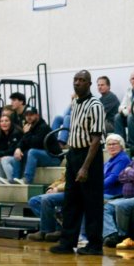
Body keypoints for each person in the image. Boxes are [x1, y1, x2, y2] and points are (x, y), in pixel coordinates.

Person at [50, 70, 106, 255]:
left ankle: (95, 245)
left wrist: (85, 167)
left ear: (89, 84)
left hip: (90, 156)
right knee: (70, 202)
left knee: (92, 202)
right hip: (73, 154)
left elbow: (96, 138)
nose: (78, 83)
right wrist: (71, 159)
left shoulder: (95, 105)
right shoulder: (74, 102)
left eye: (82, 80)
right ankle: (67, 242)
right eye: (75, 80)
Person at [11, 107, 58, 185]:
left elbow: (35, 144)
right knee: (19, 152)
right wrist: (18, 148)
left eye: (31, 114)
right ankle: (15, 179)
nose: (28, 117)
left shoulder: (43, 127)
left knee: (32, 152)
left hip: (54, 158)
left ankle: (27, 179)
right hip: (42, 156)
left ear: (37, 115)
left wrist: (26, 133)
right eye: (26, 115)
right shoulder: (30, 126)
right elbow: (23, 142)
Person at [27, 169, 66, 242]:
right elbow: (61, 180)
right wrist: (51, 188)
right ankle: (51, 229)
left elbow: (74, 182)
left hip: (71, 191)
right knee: (34, 201)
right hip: (60, 190)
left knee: (46, 199)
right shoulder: (69, 161)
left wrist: (58, 189)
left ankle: (47, 231)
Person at [0, 114, 22, 183]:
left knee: (4, 159)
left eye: (6, 121)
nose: (4, 123)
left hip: (19, 158)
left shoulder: (16, 132)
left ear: (11, 122)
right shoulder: (0, 133)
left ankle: (12, 180)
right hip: (10, 156)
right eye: (1, 121)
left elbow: (12, 150)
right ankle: (1, 182)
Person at [102, 133, 131, 199]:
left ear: (121, 146)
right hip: (105, 192)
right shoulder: (109, 161)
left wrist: (96, 188)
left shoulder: (123, 159)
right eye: (109, 144)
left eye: (114, 144)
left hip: (114, 194)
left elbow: (113, 177)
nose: (111, 146)